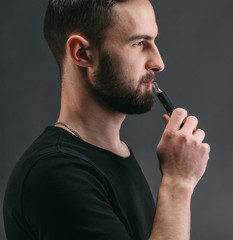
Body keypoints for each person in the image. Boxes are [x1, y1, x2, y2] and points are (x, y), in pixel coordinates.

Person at [3, 0, 210, 239]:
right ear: (82, 53)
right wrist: (178, 184)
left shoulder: (114, 155)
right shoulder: (57, 173)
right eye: (138, 43)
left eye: (154, 41)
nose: (158, 63)